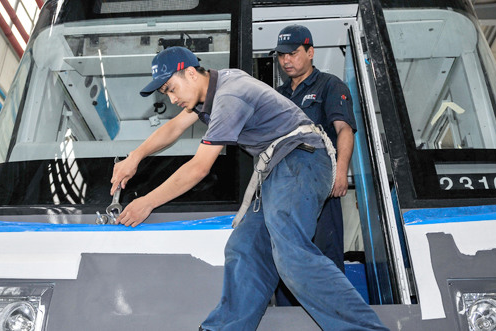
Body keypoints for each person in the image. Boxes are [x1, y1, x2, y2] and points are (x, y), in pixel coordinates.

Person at [110, 46, 387, 331]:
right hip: (278, 169)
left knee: (291, 255)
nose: (171, 98)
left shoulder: (230, 96)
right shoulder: (213, 90)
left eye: (171, 88)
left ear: (190, 73)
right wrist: (136, 156)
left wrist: (147, 202)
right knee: (244, 248)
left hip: (300, 159)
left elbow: (199, 168)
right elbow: (174, 128)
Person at [272, 25, 356, 306]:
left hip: (319, 191)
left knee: (324, 261)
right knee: (286, 263)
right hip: (283, 193)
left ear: (310, 52)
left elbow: (344, 129)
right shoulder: (277, 95)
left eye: (293, 54)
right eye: (282, 55)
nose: (286, 61)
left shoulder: (330, 85)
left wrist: (340, 173)